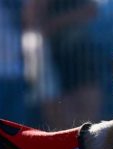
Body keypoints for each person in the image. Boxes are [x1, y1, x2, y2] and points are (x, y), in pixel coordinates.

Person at [25, 0, 102, 129]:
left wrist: (56, 23)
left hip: (78, 54)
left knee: (88, 116)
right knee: (60, 118)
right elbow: (33, 21)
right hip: (50, 56)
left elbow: (91, 11)